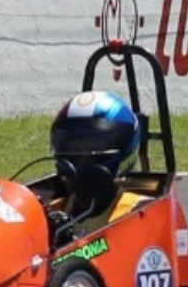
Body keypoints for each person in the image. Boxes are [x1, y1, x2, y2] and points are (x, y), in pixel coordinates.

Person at [47, 91, 147, 240]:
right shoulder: (53, 210)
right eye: (74, 148)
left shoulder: (137, 213)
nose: (82, 157)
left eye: (92, 147)